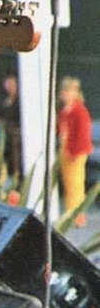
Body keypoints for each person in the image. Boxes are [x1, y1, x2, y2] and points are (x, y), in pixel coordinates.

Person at [58, 76, 93, 227]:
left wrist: (75, 151)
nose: (66, 94)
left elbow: (82, 133)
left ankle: (77, 216)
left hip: (76, 151)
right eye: (64, 91)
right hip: (65, 149)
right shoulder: (65, 110)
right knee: (68, 183)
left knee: (75, 183)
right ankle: (70, 212)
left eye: (69, 91)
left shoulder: (80, 111)